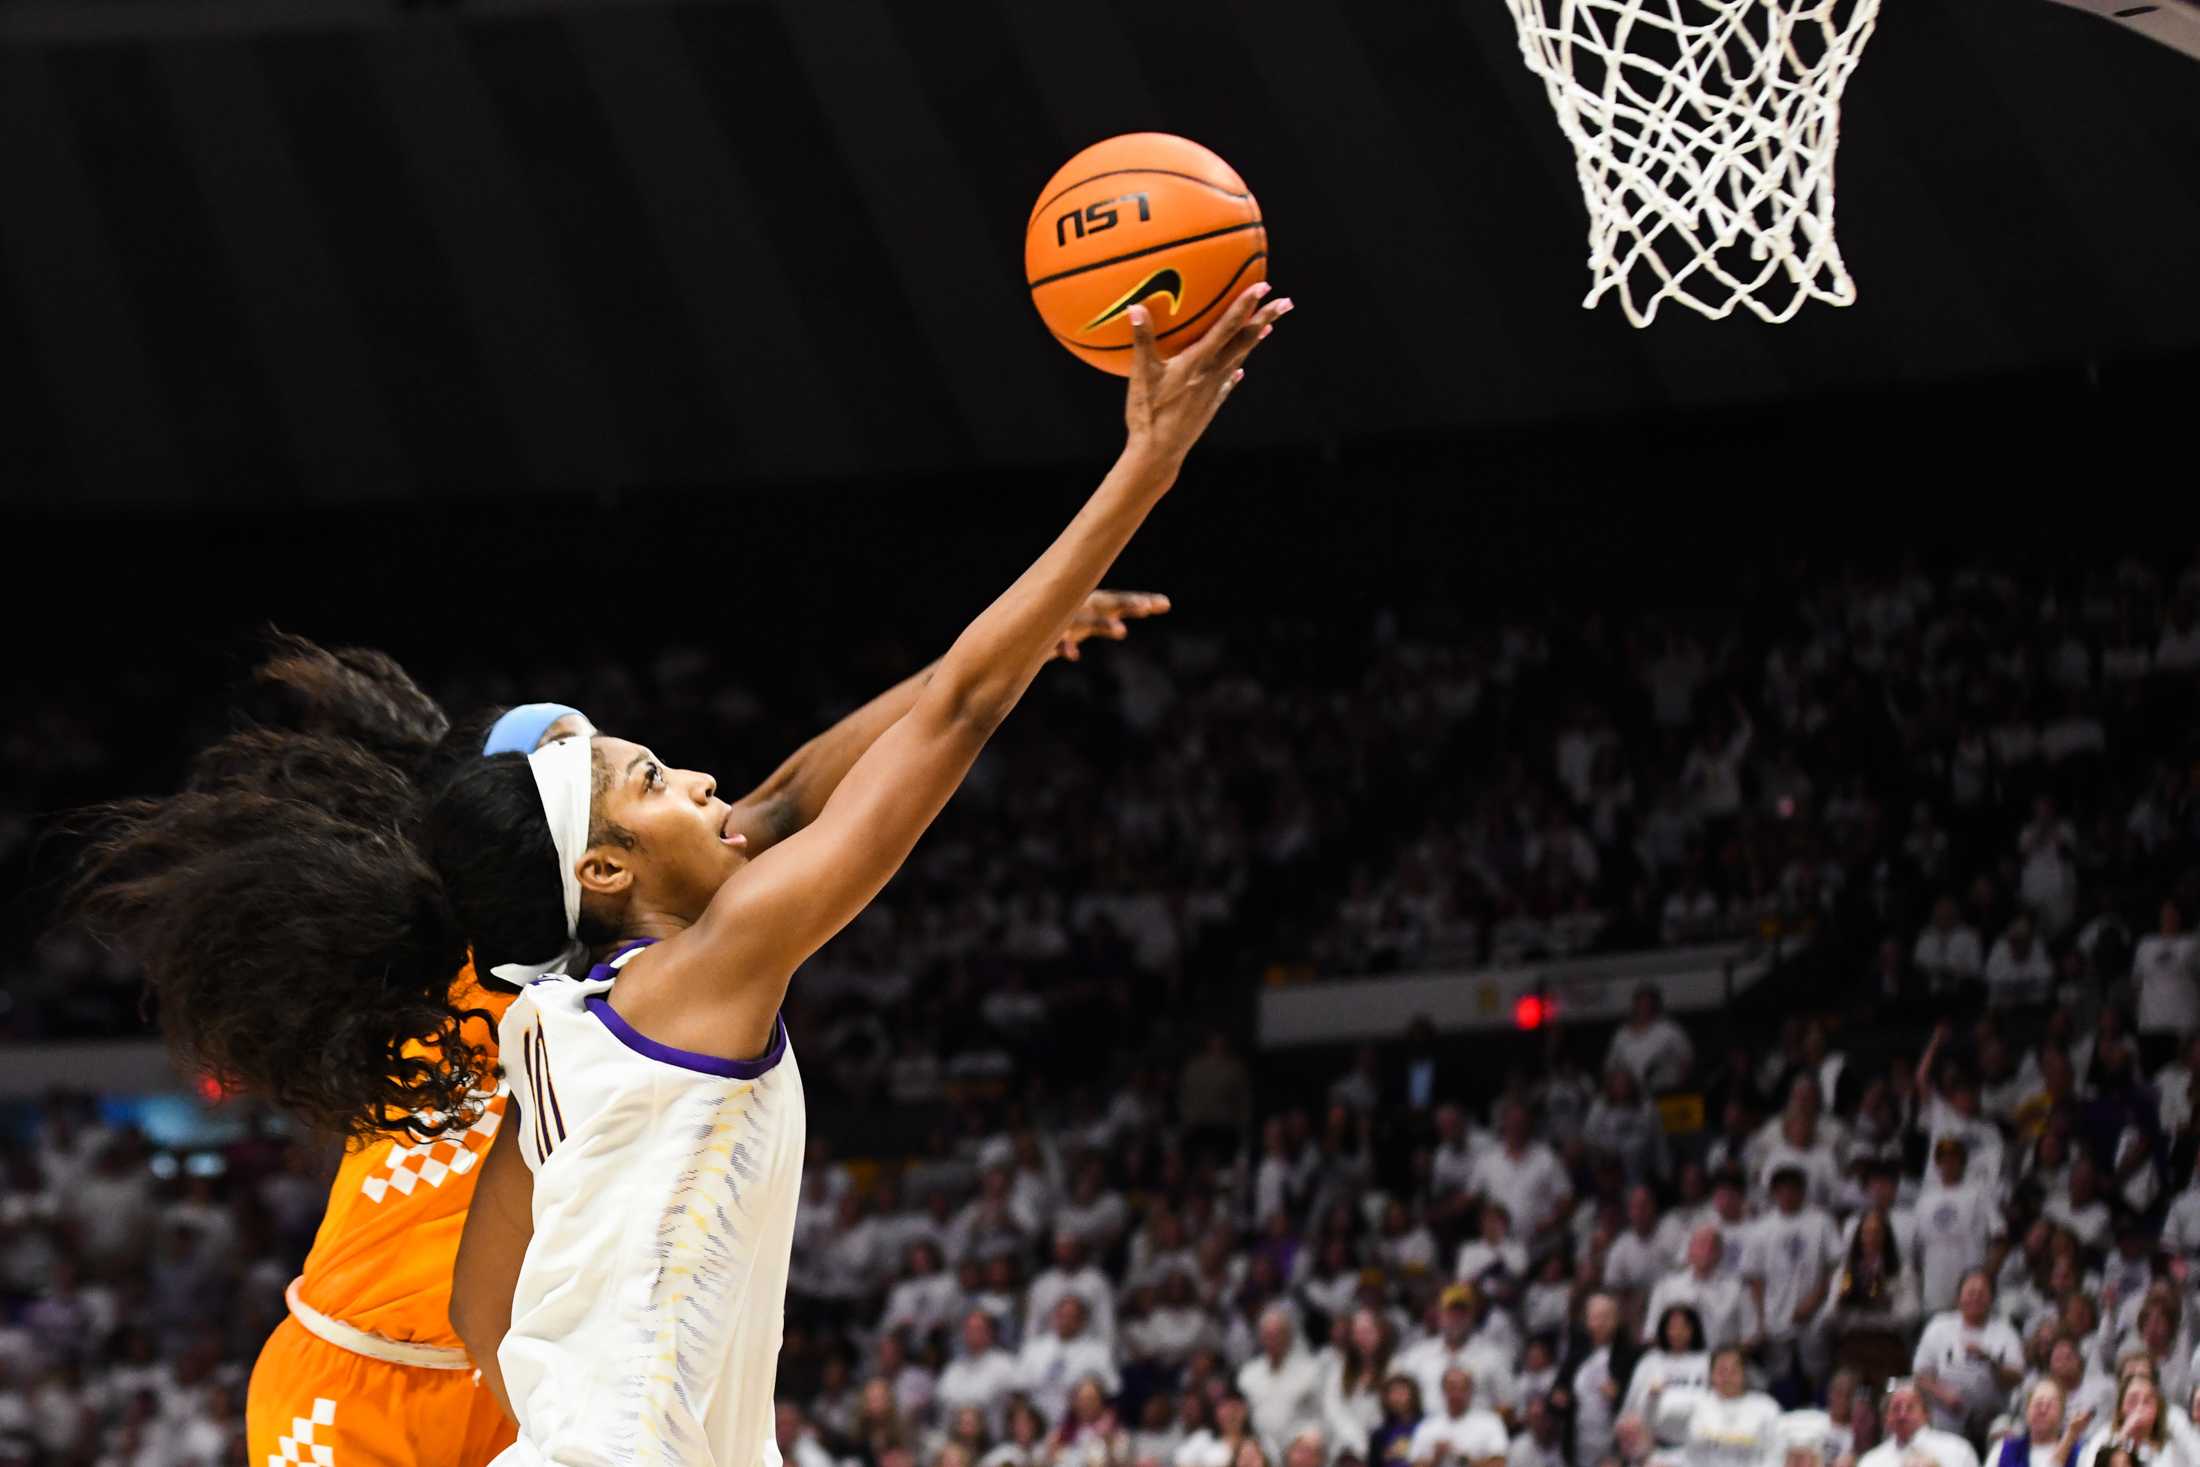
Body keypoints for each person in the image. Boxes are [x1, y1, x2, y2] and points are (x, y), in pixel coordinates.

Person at [1915, 1270, 2025, 1440]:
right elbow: (1920, 1377)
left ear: (1991, 1298)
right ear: (1959, 1297)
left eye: (1981, 1293)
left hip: (1991, 1423)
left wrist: (1990, 1361)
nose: (1976, 1297)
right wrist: (1943, 1394)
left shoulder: (2005, 1331)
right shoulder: (1939, 1327)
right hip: (1945, 1422)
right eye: (1970, 1292)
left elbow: (2017, 1376)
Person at [1660, 1346, 1778, 1467]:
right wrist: (1653, 1398)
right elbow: (1654, 1421)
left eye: (1733, 1371)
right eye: (1721, 1371)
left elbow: (1774, 1454)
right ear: (1711, 1375)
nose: (1727, 1377)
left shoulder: (1765, 1407)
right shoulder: (1695, 1403)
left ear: (1744, 1373)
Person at [1857, 1382, 1980, 1467]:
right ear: (1886, 1418)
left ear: (1926, 1413)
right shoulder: (1871, 1461)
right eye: (1895, 1408)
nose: (1902, 1415)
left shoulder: (1957, 1449)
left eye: (1910, 1408)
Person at [1407, 1368, 1507, 1467]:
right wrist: (1436, 1458)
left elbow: (1499, 1464)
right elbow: (1415, 1464)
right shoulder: (1427, 1426)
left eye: (1462, 1388)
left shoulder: (1490, 1422)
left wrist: (1461, 1458)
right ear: (1443, 1391)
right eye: (1451, 1388)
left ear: (1471, 1391)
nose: (1456, 1394)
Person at [1985, 1380, 2089, 1467]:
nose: (2043, 1410)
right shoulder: (2003, 1450)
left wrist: (2069, 1438)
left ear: (2062, 1414)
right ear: (2027, 1411)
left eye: (2050, 1405)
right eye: (2038, 1403)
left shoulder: (2079, 1453)